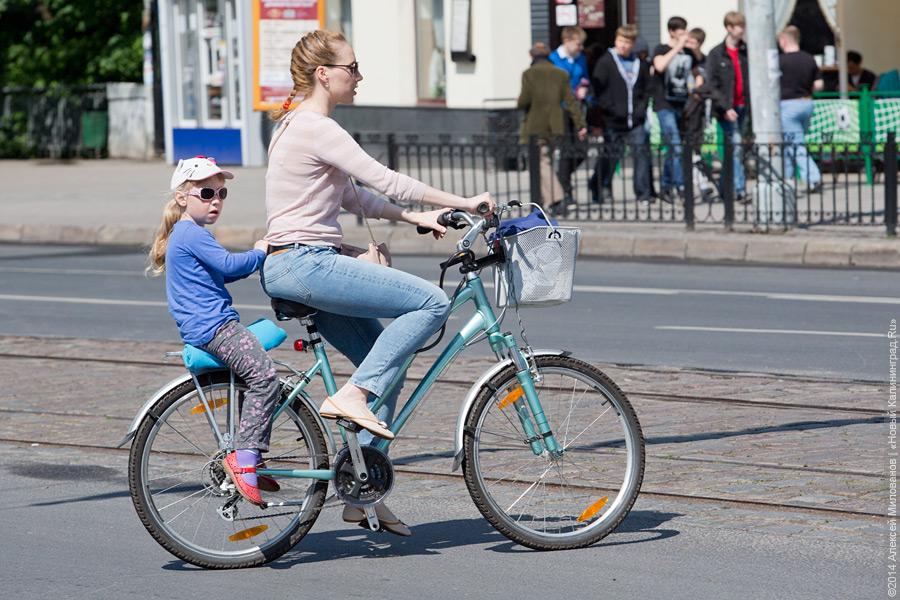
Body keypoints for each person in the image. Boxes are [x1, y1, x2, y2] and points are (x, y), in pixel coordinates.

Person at [261, 29, 494, 535]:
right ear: (324, 74)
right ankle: (352, 395)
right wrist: (463, 202)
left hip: (297, 265)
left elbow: (356, 198)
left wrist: (419, 219)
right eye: (352, 67)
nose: (359, 76)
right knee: (431, 303)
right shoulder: (315, 126)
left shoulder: (296, 125)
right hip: (306, 265)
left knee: (387, 366)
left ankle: (363, 489)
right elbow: (384, 179)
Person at [147, 156, 276, 508]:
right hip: (215, 327)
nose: (216, 200)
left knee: (250, 379)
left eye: (221, 192)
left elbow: (225, 273)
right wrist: (262, 250)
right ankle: (245, 458)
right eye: (206, 192)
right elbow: (231, 265)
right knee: (265, 378)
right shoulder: (190, 233)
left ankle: (248, 452)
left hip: (206, 326)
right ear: (182, 197)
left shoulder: (188, 234)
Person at [518, 41, 587, 211]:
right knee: (545, 160)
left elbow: (523, 101)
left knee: (542, 163)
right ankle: (543, 202)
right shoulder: (560, 74)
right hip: (556, 125)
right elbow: (571, 102)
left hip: (535, 125)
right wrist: (580, 124)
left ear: (532, 56)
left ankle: (557, 198)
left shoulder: (528, 74)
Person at [590, 24, 653, 203]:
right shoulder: (606, 61)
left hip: (636, 120)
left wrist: (641, 108)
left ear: (633, 44)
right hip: (614, 119)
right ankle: (600, 186)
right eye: (620, 41)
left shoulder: (640, 63)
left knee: (640, 154)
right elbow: (599, 89)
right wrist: (610, 108)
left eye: (627, 42)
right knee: (611, 155)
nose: (623, 45)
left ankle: (643, 193)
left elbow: (646, 89)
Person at [706, 11, 751, 204]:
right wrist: (725, 107)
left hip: (744, 107)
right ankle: (740, 190)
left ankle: (724, 190)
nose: (742, 30)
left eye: (743, 26)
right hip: (727, 110)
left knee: (734, 150)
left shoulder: (746, 51)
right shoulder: (717, 54)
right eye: (739, 26)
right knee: (736, 147)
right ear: (730, 28)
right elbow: (712, 84)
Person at [651, 16, 694, 204]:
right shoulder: (662, 49)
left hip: (681, 104)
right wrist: (677, 47)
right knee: (675, 144)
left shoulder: (688, 53)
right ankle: (681, 187)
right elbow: (659, 66)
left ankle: (666, 186)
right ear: (672, 32)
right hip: (665, 104)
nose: (684, 35)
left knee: (675, 148)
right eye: (681, 32)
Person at [777, 26, 823, 193]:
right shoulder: (809, 58)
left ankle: (813, 178)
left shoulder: (780, 61)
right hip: (807, 103)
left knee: (795, 144)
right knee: (790, 143)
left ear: (784, 40)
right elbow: (819, 85)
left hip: (788, 106)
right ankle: (787, 179)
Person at [549, 26, 591, 206]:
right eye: (578, 44)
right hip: (560, 110)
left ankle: (560, 178)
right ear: (567, 41)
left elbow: (585, 78)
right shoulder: (554, 59)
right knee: (566, 151)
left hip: (577, 109)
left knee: (581, 150)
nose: (581, 48)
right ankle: (565, 192)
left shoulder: (580, 59)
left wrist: (584, 88)